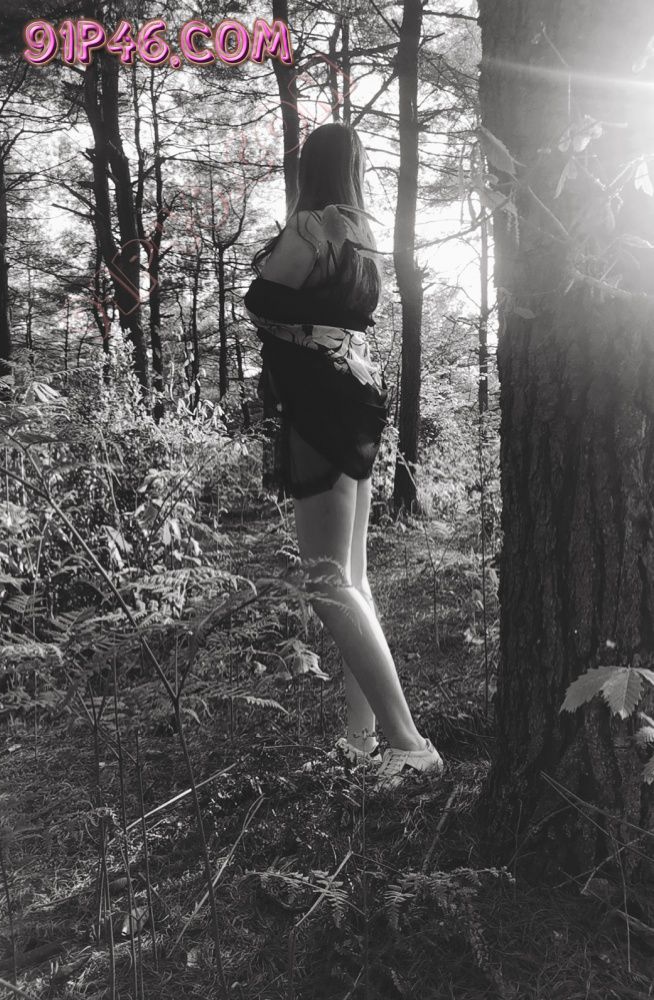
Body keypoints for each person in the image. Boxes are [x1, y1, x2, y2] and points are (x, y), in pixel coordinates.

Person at [243, 122, 444, 789]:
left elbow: (261, 302)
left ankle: (408, 742)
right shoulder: (360, 238)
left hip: (320, 404)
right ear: (352, 169)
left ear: (309, 168)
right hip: (357, 395)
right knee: (351, 577)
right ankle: (362, 737)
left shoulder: (310, 227)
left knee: (327, 580)